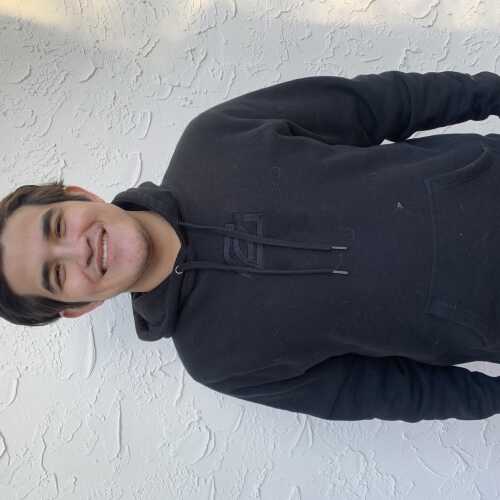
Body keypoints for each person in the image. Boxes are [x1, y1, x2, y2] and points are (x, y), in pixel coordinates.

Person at [2, 70, 500, 423]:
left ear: (77, 195)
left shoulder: (214, 138)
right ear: (78, 307)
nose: (79, 251)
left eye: (57, 228)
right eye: (57, 274)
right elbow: (391, 393)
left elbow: (384, 103)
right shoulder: (218, 362)